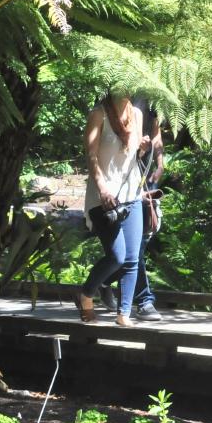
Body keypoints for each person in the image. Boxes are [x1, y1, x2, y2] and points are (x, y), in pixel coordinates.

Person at [75, 93, 147, 326]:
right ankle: (86, 294)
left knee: (132, 258)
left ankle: (123, 313)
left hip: (131, 195)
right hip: (103, 198)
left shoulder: (137, 115)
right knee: (117, 257)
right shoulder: (98, 115)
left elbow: (132, 155)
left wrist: (144, 149)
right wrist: (103, 189)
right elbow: (91, 156)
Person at [99, 97, 163, 320]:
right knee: (133, 249)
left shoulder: (152, 102)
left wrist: (160, 164)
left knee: (140, 242)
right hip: (119, 181)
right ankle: (144, 301)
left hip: (144, 177)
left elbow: (156, 135)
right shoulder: (113, 103)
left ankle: (104, 281)